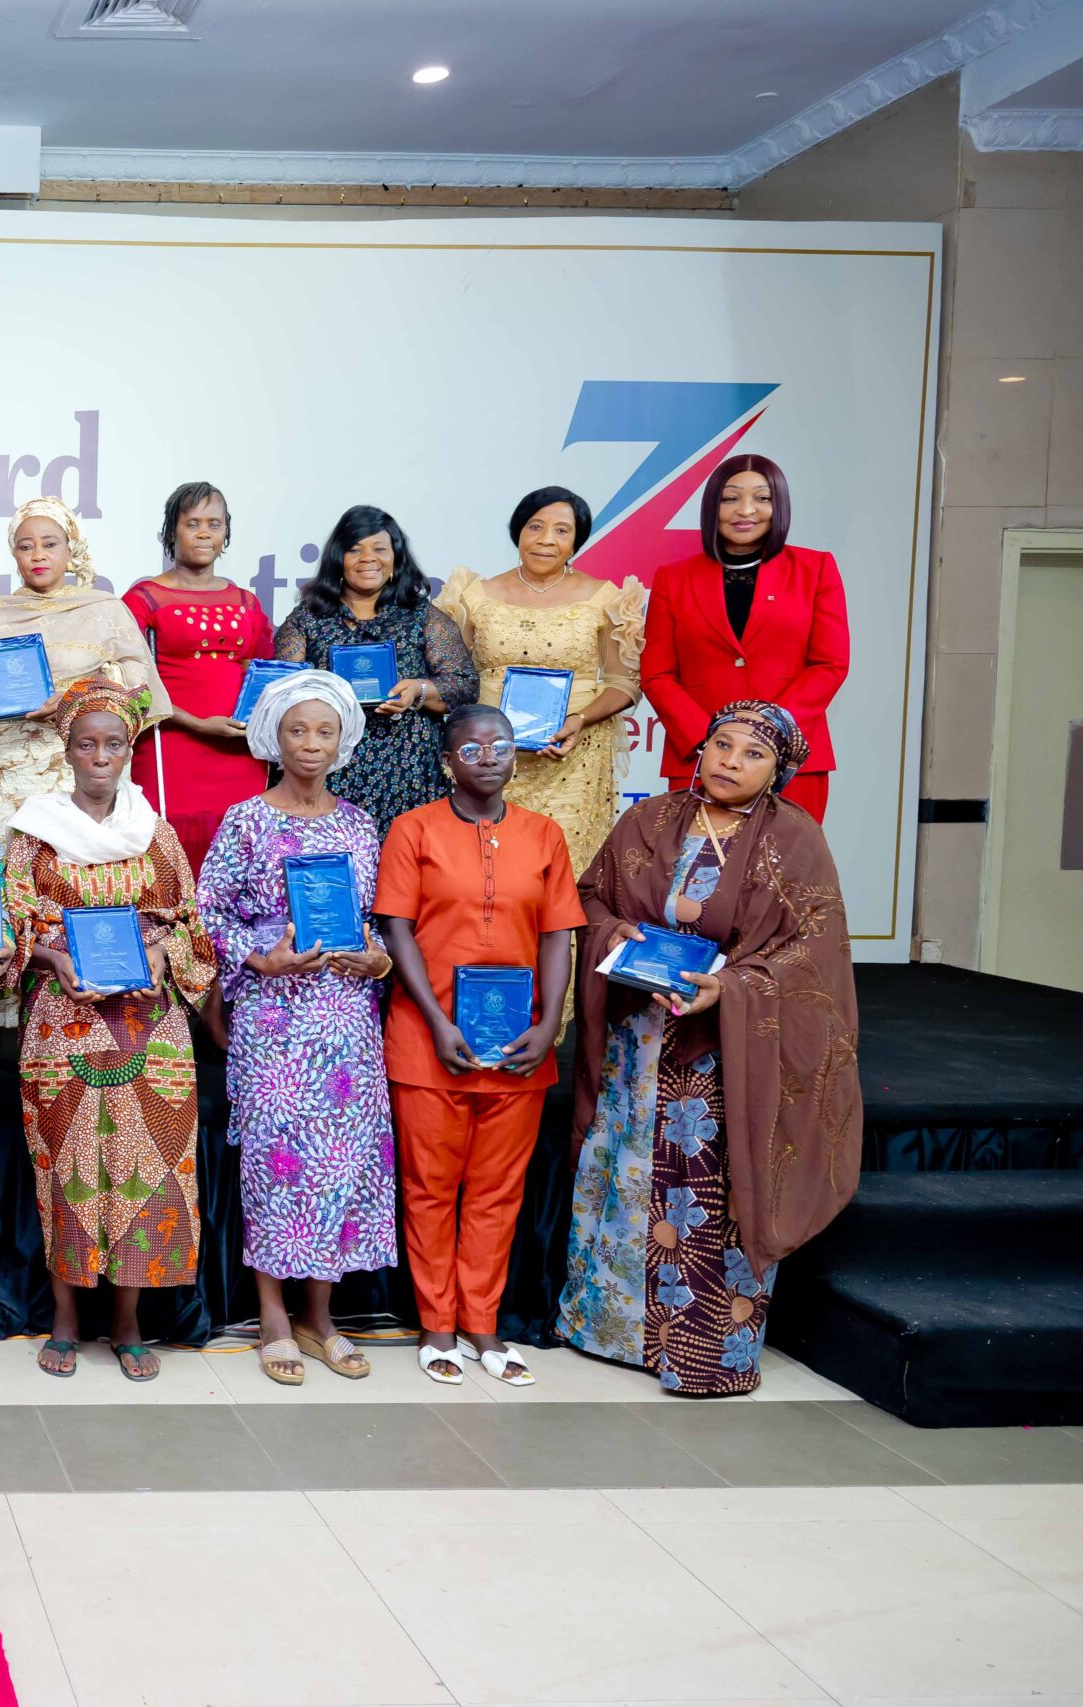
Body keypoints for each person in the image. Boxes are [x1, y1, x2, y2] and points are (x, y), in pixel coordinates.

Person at [561, 701, 862, 1396]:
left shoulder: (795, 838)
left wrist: (729, 987)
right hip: (640, 1044)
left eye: (753, 754)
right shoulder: (650, 819)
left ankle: (701, 1351)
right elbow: (593, 898)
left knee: (708, 1186)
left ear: (779, 771)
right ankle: (610, 1331)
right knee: (630, 1171)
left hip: (728, 1050)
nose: (730, 760)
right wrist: (615, 934)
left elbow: (813, 950)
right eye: (721, 745)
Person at [0, 678, 215, 1383]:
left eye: (114, 743)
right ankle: (66, 1317)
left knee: (149, 1171)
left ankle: (128, 1322)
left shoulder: (155, 832)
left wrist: (158, 956)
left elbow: (192, 928)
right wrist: (53, 959)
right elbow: (12, 927)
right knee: (68, 1169)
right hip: (65, 1022)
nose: (101, 756)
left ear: (131, 749)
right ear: (67, 749)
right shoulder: (35, 833)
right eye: (87, 744)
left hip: (151, 1028)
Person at [197, 670, 397, 1386]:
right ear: (273, 738)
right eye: (297, 730)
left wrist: (377, 958)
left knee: (342, 1164)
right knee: (277, 1165)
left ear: (342, 741)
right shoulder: (245, 820)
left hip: (347, 1019)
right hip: (274, 1020)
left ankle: (320, 1317)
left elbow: (372, 920)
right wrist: (260, 957)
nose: (311, 743)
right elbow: (206, 912)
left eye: (324, 731)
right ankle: (273, 1317)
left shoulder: (359, 823)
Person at [376, 703, 584, 1386]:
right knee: (431, 1188)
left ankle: (482, 1322)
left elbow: (557, 934)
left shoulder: (544, 834)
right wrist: (438, 1022)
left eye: (501, 745)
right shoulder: (413, 830)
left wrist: (550, 1023)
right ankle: (437, 1322)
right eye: (472, 748)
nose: (489, 756)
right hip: (428, 1039)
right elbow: (397, 929)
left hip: (518, 1045)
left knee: (498, 1190)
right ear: (447, 762)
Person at [435, 487, 648, 882]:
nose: (546, 539)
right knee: (486, 871)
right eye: (535, 526)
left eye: (562, 530)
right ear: (518, 531)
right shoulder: (473, 595)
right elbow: (452, 679)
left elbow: (625, 682)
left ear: (576, 541)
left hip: (574, 756)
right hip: (489, 758)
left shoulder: (606, 597)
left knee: (563, 872)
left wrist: (579, 720)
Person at [642, 455, 849, 822]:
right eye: (731, 498)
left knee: (786, 860)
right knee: (699, 859)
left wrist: (770, 730)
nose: (746, 510)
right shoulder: (672, 579)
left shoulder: (816, 569)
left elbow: (830, 664)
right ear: (713, 506)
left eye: (762, 498)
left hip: (791, 761)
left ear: (779, 506)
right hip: (700, 758)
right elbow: (657, 674)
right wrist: (714, 740)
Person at [0, 496, 169, 832]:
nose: (38, 555)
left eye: (50, 544)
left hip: (75, 763)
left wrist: (77, 699)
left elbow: (138, 693)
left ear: (71, 549)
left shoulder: (104, 609)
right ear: (14, 554)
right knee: (0, 854)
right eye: (26, 546)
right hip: (0, 767)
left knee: (71, 856)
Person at [276, 505, 477, 839]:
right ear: (338, 559)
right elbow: (284, 693)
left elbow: (465, 686)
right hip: (332, 770)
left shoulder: (421, 615)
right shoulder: (308, 618)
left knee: (407, 862)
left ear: (395, 558)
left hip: (411, 769)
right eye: (355, 549)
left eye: (380, 549)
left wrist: (417, 691)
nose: (368, 558)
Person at [124, 482, 276, 874]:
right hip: (171, 747)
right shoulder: (143, 599)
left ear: (226, 532)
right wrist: (197, 723)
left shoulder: (245, 601)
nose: (204, 533)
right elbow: (131, 685)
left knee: (239, 856)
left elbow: (263, 672)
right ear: (171, 532)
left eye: (214, 524)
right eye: (192, 523)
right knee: (169, 860)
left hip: (240, 752)